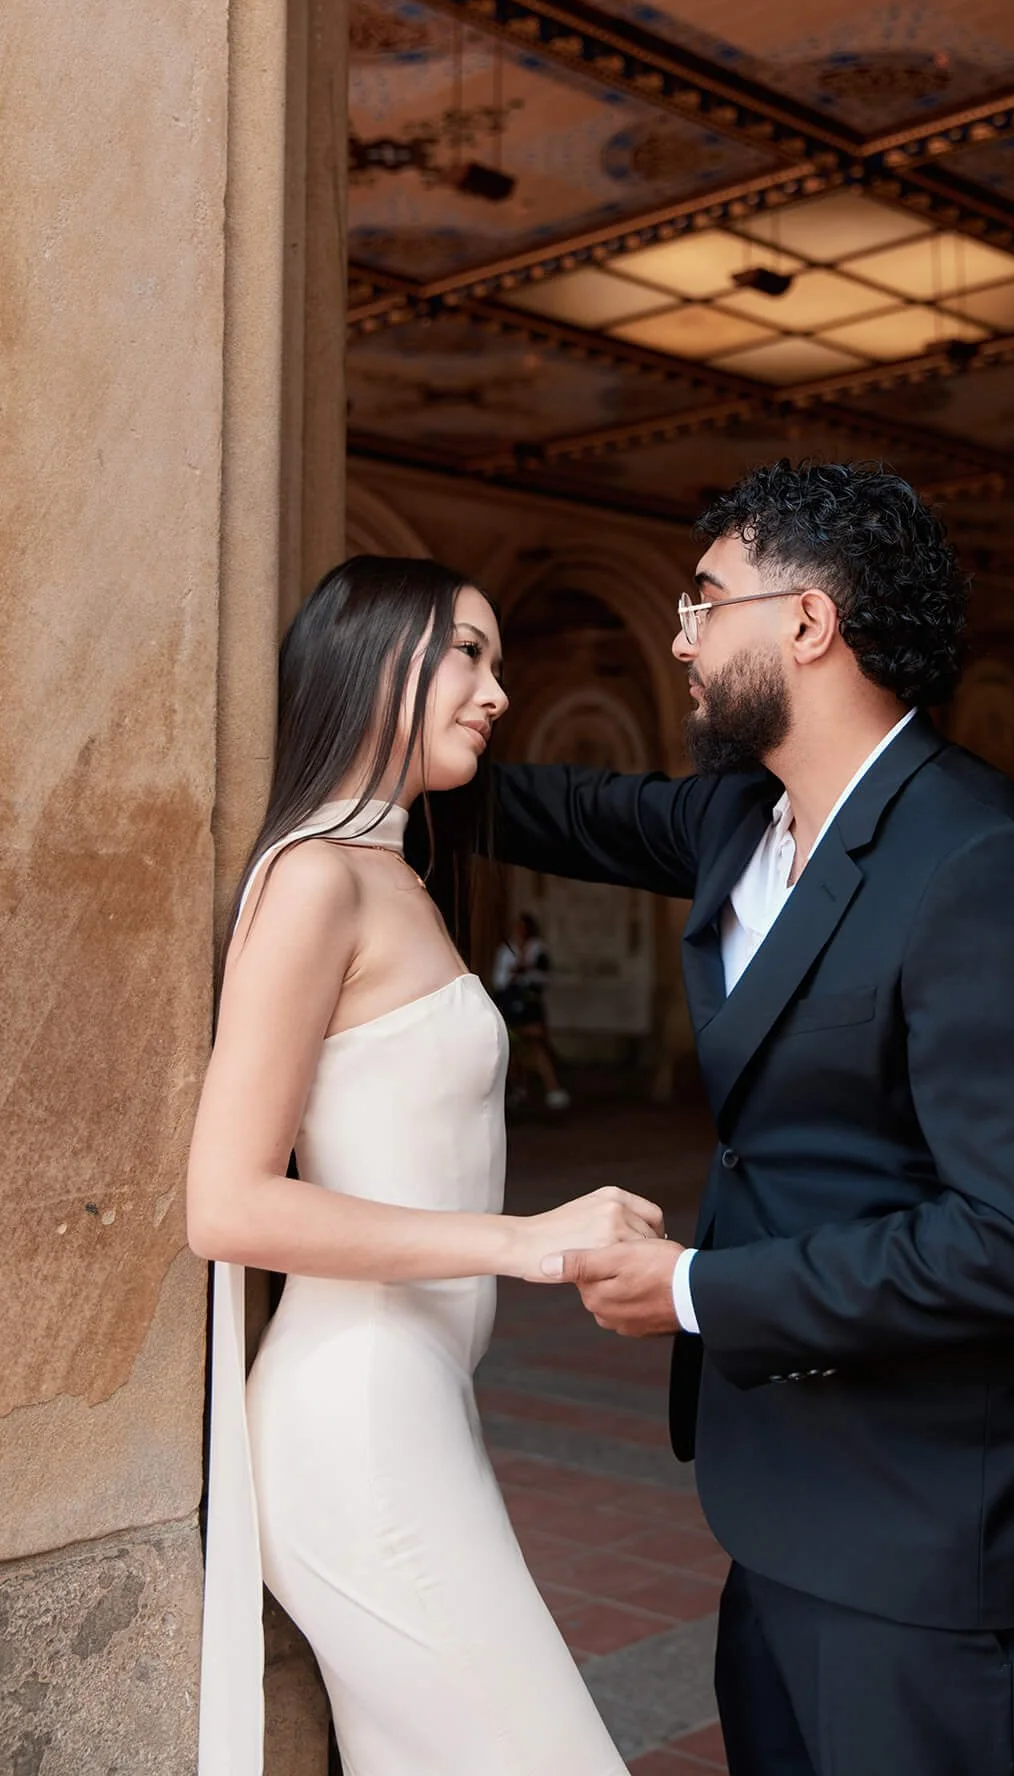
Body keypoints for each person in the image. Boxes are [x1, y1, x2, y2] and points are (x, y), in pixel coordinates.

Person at [459, 461, 1014, 1776]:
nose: (678, 633)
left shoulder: (983, 866)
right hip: (788, 1511)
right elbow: (550, 808)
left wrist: (694, 1290)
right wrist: (383, 725)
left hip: (957, 1545)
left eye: (705, 599)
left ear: (807, 623)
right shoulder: (741, 817)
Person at [187, 555, 658, 1776]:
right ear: (368, 658)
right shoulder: (314, 876)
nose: (497, 689)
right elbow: (228, 1201)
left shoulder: (398, 871)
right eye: (470, 652)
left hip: (422, 1404)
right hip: (355, 1423)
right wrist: (529, 1238)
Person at [492, 911, 571, 1114]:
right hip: (511, 1001)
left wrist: (526, 971)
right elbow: (500, 979)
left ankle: (552, 1089)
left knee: (537, 1043)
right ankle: (518, 1089)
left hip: (530, 1003)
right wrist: (514, 973)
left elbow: (544, 976)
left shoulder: (538, 949)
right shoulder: (506, 951)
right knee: (513, 1048)